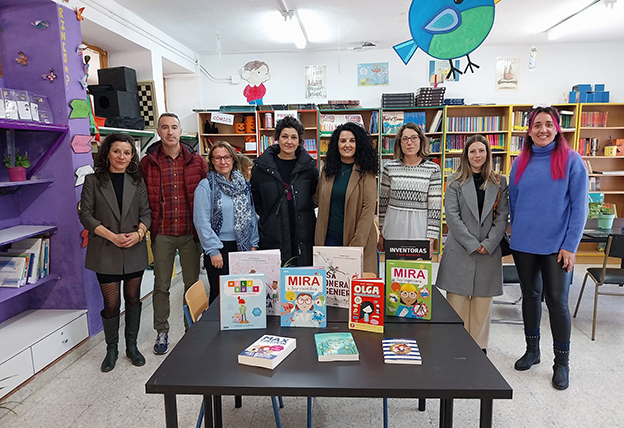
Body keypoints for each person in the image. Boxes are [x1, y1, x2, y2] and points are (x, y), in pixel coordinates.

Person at [509, 106, 588, 390]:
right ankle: (533, 350)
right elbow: (514, 202)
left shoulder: (571, 160)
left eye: (548, 125)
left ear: (557, 128)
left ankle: (561, 363)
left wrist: (570, 246)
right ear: (529, 130)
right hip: (524, 245)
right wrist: (517, 233)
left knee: (557, 302)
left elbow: (580, 207)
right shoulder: (520, 162)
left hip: (557, 248)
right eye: (537, 125)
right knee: (530, 297)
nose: (543, 130)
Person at [78, 133, 151, 372]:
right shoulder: (92, 181)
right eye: (117, 151)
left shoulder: (138, 181)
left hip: (133, 249)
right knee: (112, 304)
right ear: (107, 152)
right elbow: (85, 215)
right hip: (105, 249)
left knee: (132, 299)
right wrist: (111, 235)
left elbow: (146, 213)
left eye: (127, 153)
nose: (122, 156)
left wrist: (139, 234)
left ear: (132, 156)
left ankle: (132, 347)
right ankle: (112, 349)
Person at [141, 112, 208, 355]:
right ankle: (162, 330)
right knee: (161, 285)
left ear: (181, 131)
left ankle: (192, 329)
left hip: (190, 233)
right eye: (165, 127)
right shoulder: (147, 163)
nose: (170, 132)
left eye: (174, 127)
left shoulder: (197, 162)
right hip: (162, 234)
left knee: (192, 284)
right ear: (158, 132)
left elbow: (206, 197)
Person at [436, 135, 509, 353]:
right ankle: (456, 346)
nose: (477, 155)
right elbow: (452, 216)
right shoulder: (455, 181)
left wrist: (488, 243)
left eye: (481, 151)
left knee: (482, 306)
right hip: (460, 250)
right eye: (472, 151)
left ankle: (479, 349)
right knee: (456, 303)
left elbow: (502, 216)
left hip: (489, 251)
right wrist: (471, 243)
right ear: (466, 155)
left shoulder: (500, 182)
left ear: (488, 154)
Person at [193, 141, 259, 305]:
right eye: (217, 158)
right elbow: (201, 222)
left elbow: (251, 215)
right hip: (219, 249)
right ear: (212, 161)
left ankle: (242, 329)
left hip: (242, 247)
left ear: (233, 159)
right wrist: (213, 250)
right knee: (220, 296)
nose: (223, 162)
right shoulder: (206, 186)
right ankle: (216, 330)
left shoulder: (243, 184)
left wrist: (253, 243)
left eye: (227, 157)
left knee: (243, 295)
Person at [251, 116, 319, 266]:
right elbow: (256, 200)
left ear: (299, 140)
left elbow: (315, 197)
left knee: (302, 280)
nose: (289, 141)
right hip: (273, 232)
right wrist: (268, 219)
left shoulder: (309, 168)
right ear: (277, 138)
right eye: (285, 136)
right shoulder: (262, 168)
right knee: (276, 281)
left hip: (303, 231)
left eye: (294, 137)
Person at [314, 122, 379, 275]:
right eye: (343, 141)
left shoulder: (366, 172)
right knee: (331, 287)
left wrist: (356, 247)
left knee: (354, 287)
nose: (347, 145)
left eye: (352, 140)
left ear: (359, 144)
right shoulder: (328, 170)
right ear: (336, 144)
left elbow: (368, 210)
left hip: (356, 239)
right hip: (328, 238)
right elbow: (317, 199)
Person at [378, 123, 442, 253]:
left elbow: (435, 206)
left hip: (420, 227)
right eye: (405, 139)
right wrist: (380, 231)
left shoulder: (433, 169)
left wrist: (431, 239)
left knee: (416, 268)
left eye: (414, 138)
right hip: (393, 225)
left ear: (421, 140)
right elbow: (383, 202)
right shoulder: (389, 167)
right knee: (394, 268)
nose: (409, 143)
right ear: (399, 143)